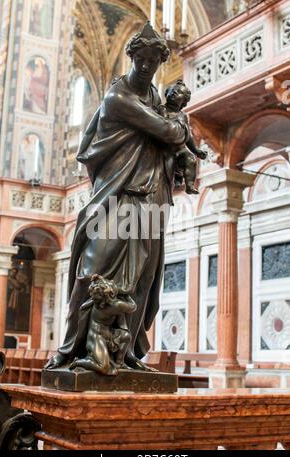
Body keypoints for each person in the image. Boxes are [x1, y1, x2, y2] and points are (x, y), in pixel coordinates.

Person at [45, 22, 188, 372]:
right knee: (92, 267)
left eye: (154, 62)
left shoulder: (154, 96)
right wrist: (181, 129)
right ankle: (73, 348)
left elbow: (169, 135)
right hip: (116, 195)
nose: (146, 67)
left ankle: (124, 355)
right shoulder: (119, 97)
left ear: (160, 62)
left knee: (142, 276)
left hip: (149, 197)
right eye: (141, 59)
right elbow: (168, 130)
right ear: (132, 58)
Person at [69, 274, 136, 375]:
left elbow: (132, 307)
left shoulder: (109, 304)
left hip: (109, 333)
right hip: (96, 337)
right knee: (104, 367)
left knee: (126, 336)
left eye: (96, 298)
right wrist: (125, 294)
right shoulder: (114, 305)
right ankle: (78, 362)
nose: (94, 300)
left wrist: (123, 294)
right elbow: (133, 306)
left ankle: (119, 363)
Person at [158, 80, 207, 194]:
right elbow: (165, 126)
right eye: (173, 90)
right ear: (166, 93)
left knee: (190, 159)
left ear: (184, 102)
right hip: (165, 148)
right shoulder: (162, 109)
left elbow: (187, 135)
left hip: (180, 149)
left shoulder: (183, 116)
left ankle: (189, 185)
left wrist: (196, 150)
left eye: (179, 92)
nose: (175, 92)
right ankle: (176, 176)